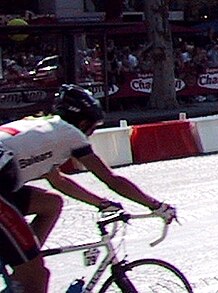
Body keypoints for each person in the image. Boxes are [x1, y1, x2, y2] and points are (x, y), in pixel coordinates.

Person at [0, 84, 177, 293]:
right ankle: (25, 267)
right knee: (38, 275)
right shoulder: (70, 133)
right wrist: (155, 205)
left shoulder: (42, 128)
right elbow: (111, 179)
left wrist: (101, 204)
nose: (89, 135)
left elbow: (59, 181)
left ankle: (20, 261)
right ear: (83, 123)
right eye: (92, 129)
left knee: (51, 203)